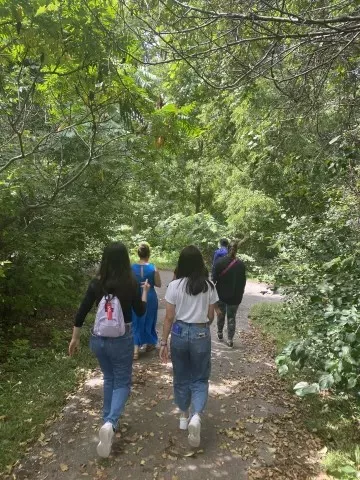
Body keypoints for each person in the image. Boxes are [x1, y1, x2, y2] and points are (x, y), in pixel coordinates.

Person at [68, 242, 150, 458]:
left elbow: (82, 310)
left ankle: (108, 421)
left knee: (109, 379)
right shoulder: (130, 282)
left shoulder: (97, 283)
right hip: (122, 338)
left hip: (99, 340)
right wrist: (144, 292)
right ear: (124, 260)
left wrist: (75, 338)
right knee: (122, 381)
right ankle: (111, 422)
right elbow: (140, 312)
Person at [159, 245, 218, 448]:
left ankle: (184, 417)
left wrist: (163, 342)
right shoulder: (209, 286)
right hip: (201, 333)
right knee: (200, 378)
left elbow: (168, 317)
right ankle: (196, 417)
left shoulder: (174, 286)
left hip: (179, 333)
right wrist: (202, 326)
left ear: (181, 263)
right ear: (200, 263)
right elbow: (211, 316)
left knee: (181, 376)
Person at [213, 241, 246, 348]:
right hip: (235, 296)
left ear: (227, 248)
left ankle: (219, 333)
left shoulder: (219, 262)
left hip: (221, 294)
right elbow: (243, 282)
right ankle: (230, 339)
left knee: (221, 314)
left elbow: (214, 279)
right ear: (237, 250)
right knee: (231, 317)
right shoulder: (241, 265)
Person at [132, 242, 161, 360]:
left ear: (138, 254)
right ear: (148, 254)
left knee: (136, 320)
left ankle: (135, 350)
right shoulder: (153, 267)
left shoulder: (131, 267)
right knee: (149, 318)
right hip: (149, 295)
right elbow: (158, 284)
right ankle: (149, 343)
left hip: (135, 295)